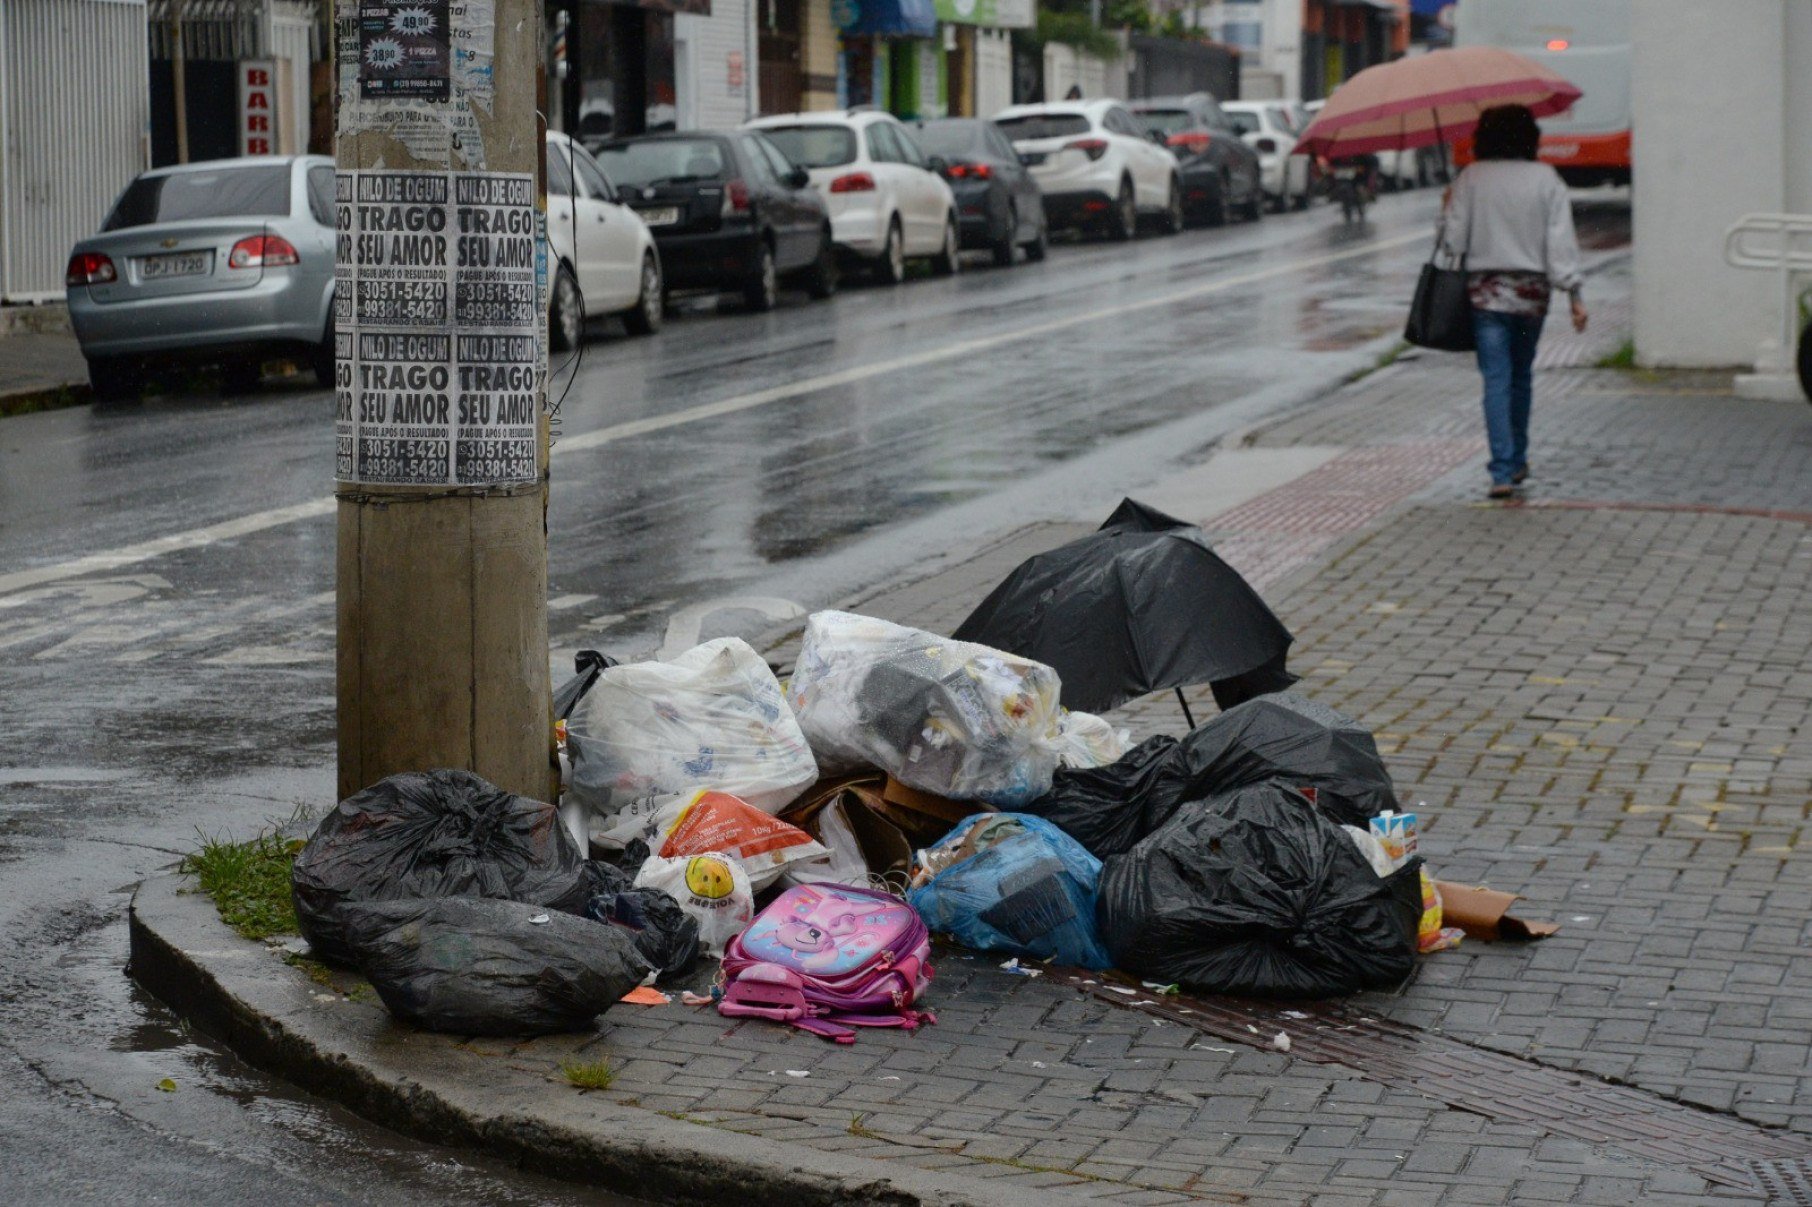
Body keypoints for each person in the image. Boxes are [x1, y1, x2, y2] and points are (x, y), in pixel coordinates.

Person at [1442, 104, 1587, 499]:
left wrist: (1448, 206)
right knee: (1521, 375)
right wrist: (1574, 292)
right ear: (1530, 136)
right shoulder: (1546, 179)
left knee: (1495, 379)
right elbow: (1560, 243)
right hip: (1532, 296)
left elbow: (1453, 243)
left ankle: (1501, 470)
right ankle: (1519, 457)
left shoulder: (1471, 178)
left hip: (1486, 295)